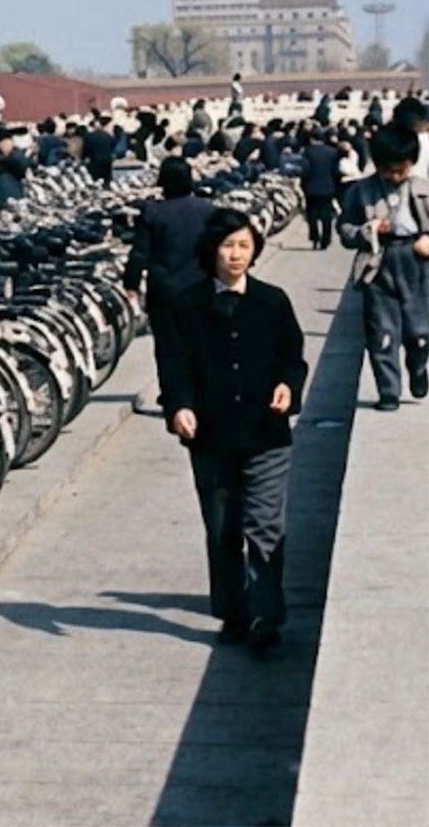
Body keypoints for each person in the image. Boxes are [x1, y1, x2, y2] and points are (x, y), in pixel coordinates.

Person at [159, 208, 308, 650]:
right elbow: (174, 365)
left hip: (266, 433)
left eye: (245, 245)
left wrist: (288, 385)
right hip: (212, 437)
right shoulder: (186, 306)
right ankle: (233, 610)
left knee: (264, 525)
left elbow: (292, 355)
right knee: (223, 528)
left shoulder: (273, 301)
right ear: (212, 252)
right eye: (229, 246)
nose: (237, 255)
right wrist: (180, 407)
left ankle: (266, 615)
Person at [336, 123, 429, 411]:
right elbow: (345, 231)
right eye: (390, 170)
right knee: (382, 334)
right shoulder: (361, 191)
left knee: (420, 332)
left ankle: (418, 365)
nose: (396, 176)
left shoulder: (423, 189)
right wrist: (370, 230)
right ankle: (388, 392)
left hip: (418, 261)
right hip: (379, 264)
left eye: (402, 169)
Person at [124, 156, 216, 378]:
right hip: (201, 287)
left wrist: (131, 283)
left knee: (168, 349)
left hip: (165, 291)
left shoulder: (152, 212)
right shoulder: (207, 210)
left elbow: (140, 253)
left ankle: (174, 399)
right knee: (200, 343)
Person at [298, 129, 343, 249]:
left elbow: (305, 169)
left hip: (311, 187)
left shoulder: (307, 152)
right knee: (326, 215)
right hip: (328, 187)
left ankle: (314, 237)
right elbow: (336, 171)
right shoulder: (332, 152)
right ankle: (326, 240)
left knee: (312, 214)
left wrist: (302, 182)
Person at [81, 115, 117, 183]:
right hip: (107, 161)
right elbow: (113, 147)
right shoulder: (108, 136)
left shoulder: (89, 136)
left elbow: (86, 149)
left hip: (94, 161)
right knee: (106, 180)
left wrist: (84, 158)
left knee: (95, 180)